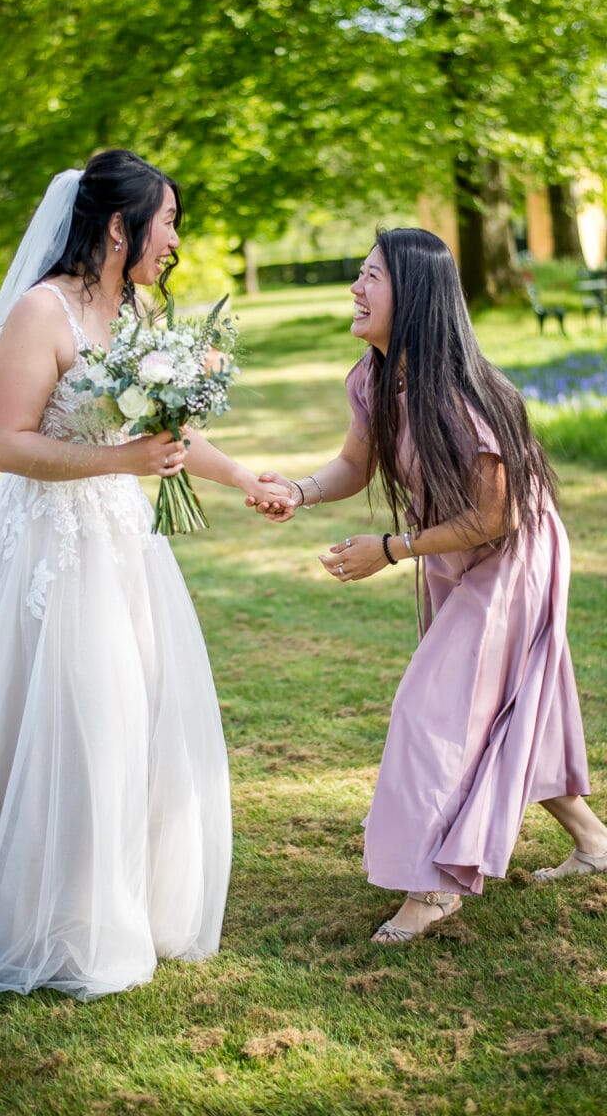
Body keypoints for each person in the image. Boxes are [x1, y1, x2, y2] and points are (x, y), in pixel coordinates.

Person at [0, 149, 290, 996]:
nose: (175, 239)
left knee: (132, 709)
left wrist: (248, 478)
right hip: (48, 553)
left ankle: (107, 900)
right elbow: (11, 445)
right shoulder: (41, 312)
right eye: (167, 220)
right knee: (68, 716)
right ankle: (38, 912)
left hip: (124, 550)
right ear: (117, 226)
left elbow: (169, 434)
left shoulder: (137, 310)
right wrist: (124, 460)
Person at [252, 228, 607, 943]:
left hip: (512, 553)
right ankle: (595, 841)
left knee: (433, 705)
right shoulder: (375, 376)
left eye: (370, 277)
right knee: (501, 702)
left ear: (412, 295)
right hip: (455, 549)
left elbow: (497, 515)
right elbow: (356, 463)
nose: (355, 288)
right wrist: (300, 489)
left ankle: (434, 888)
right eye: (358, 274)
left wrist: (390, 548)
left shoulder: (462, 396)